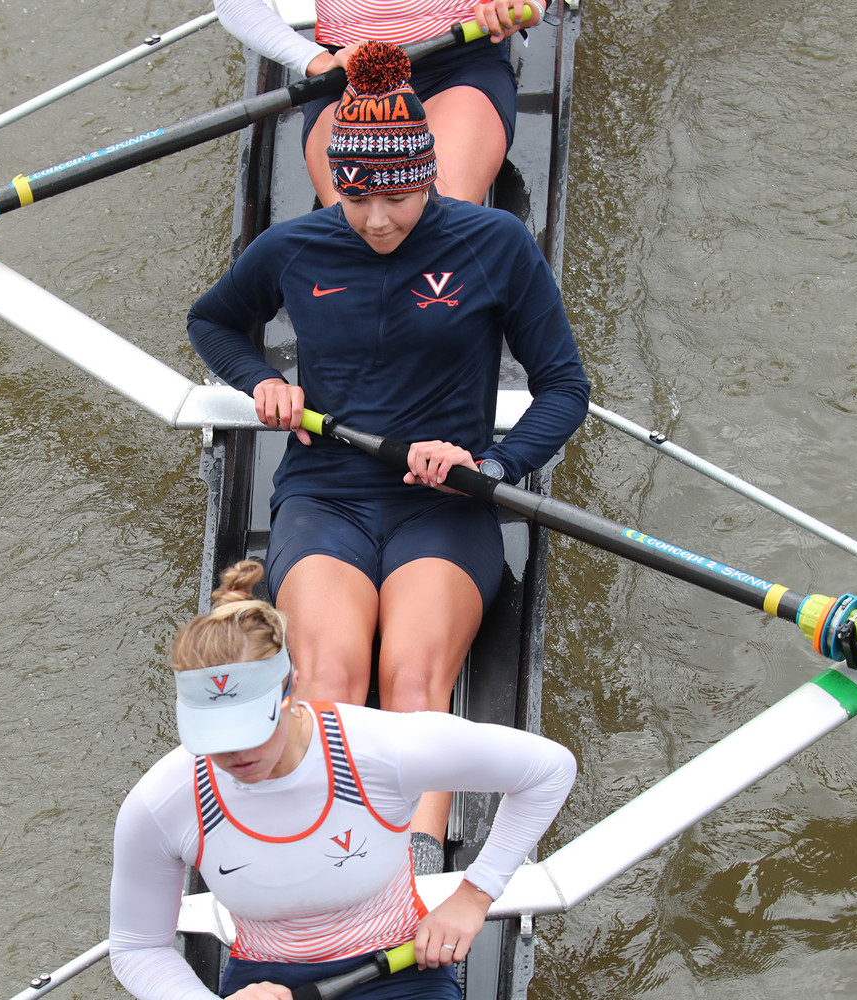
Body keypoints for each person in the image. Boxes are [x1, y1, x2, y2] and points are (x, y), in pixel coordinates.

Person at [186, 41, 588, 864]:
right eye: (357, 197)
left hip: (444, 505)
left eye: (399, 196)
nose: (376, 219)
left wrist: (493, 468)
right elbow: (213, 322)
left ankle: (415, 862)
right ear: (335, 181)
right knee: (329, 680)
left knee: (411, 683)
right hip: (323, 495)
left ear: (429, 173)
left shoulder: (494, 244)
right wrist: (263, 381)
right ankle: (325, 856)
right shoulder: (296, 249)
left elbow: (563, 389)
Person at [108, 560, 576, 1000]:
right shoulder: (163, 801)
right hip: (266, 981)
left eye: (251, 730)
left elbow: (549, 771)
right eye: (213, 738)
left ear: (290, 687)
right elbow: (137, 948)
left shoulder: (379, 748)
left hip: (401, 965)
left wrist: (474, 897)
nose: (234, 755)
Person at [213, 0, 545, 205]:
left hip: (458, 61)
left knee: (429, 214)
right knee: (363, 227)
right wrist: (313, 60)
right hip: (348, 70)